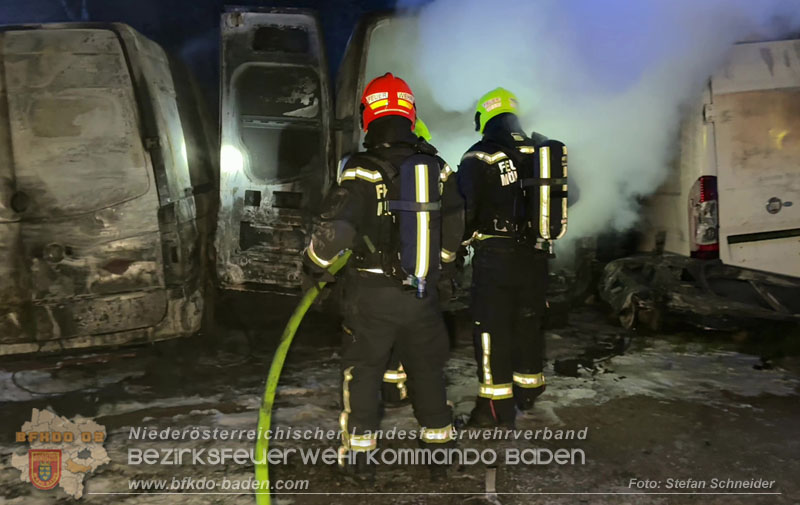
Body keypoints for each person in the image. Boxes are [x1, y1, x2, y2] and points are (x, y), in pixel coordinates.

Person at [303, 73, 464, 480]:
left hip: (371, 295)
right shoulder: (438, 167)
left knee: (364, 372)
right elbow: (455, 225)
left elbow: (336, 232)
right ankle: (439, 452)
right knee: (426, 370)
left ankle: (361, 459)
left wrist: (313, 265)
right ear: (410, 114)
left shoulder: (361, 170)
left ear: (368, 116)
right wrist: (440, 268)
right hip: (422, 294)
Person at [456, 87, 549, 428]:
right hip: (535, 255)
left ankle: (493, 407)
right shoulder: (541, 150)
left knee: (491, 328)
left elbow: (464, 209)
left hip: (496, 257)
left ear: (484, 117)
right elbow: (572, 193)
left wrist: (456, 246)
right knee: (527, 322)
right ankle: (528, 391)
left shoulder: (479, 156)